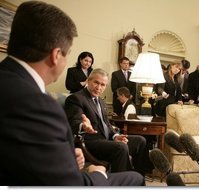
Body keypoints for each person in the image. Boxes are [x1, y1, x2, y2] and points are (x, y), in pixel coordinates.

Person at [0, 1, 144, 186]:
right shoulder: (40, 105)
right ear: (56, 55)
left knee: (136, 143)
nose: (100, 87)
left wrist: (65, 156)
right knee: (136, 179)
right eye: (68, 54)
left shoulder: (11, 85)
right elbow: (65, 182)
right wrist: (97, 173)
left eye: (103, 85)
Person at [64, 68, 154, 175]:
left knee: (140, 141)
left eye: (103, 85)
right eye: (96, 83)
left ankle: (138, 178)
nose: (99, 88)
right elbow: (74, 121)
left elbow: (107, 124)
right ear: (89, 80)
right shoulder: (76, 98)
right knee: (121, 147)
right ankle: (121, 183)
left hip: (106, 140)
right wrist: (83, 125)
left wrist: (115, 136)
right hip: (90, 142)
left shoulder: (101, 102)